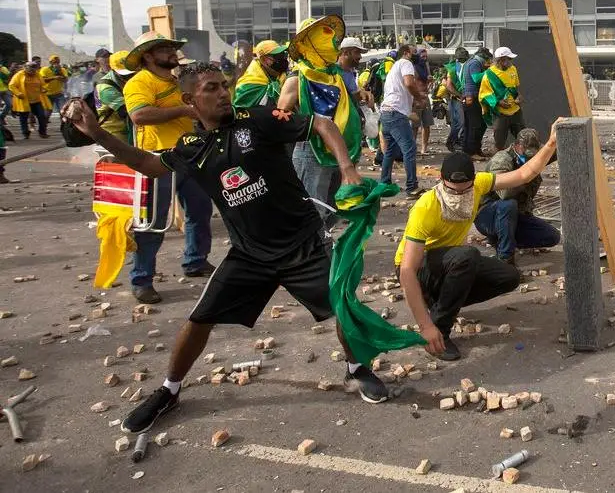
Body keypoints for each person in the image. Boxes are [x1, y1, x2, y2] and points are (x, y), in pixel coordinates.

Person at [62, 63, 394, 434]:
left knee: (343, 308)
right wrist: (94, 132)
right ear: (190, 100)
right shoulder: (191, 146)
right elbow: (146, 164)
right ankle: (169, 390)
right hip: (250, 254)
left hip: (304, 244)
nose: (223, 93)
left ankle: (356, 370)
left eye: (224, 85)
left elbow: (321, 123)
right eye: (211, 88)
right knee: (199, 319)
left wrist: (347, 167)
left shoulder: (260, 118)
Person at [396, 134, 561, 361]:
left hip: (449, 262)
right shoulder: (425, 207)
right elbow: (406, 270)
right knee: (467, 256)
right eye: (453, 190)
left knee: (509, 276)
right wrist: (425, 326)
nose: (460, 196)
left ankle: (442, 303)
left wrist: (551, 143)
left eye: (465, 190)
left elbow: (524, 174)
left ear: (473, 182)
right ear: (442, 181)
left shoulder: (480, 184)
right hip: (419, 269)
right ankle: (440, 330)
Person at [123, 32, 215, 302]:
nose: (172, 53)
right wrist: (184, 112)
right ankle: (142, 278)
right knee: (153, 221)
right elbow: (139, 115)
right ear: (148, 56)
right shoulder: (140, 82)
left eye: (172, 48)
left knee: (199, 209)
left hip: (187, 153)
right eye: (164, 49)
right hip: (156, 158)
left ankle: (195, 260)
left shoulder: (175, 81)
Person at [279, 16, 364, 230]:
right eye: (324, 38)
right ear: (309, 44)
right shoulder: (297, 78)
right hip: (311, 149)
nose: (332, 43)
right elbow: (280, 117)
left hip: (337, 149)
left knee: (334, 206)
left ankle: (321, 241)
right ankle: (311, 251)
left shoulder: (333, 75)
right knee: (311, 207)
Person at [474, 128, 560, 266]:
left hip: (515, 215)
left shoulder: (531, 156)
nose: (531, 158)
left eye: (534, 155)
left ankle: (505, 240)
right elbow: (505, 193)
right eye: (527, 154)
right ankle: (505, 259)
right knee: (509, 204)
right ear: (517, 146)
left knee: (552, 236)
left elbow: (552, 152)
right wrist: (527, 174)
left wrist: (557, 138)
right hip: (489, 214)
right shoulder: (502, 160)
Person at [378, 44, 427, 195]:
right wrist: (419, 97)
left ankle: (384, 183)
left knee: (390, 151)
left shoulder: (394, 67)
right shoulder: (406, 63)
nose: (417, 54)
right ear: (406, 53)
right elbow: (409, 83)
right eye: (414, 52)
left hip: (386, 112)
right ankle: (412, 187)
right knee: (409, 149)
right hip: (395, 113)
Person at [478, 46, 525, 152]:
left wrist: (518, 96)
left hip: (516, 111)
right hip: (501, 114)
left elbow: (515, 87)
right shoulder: (489, 74)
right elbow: (484, 95)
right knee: (499, 142)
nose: (511, 61)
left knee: (523, 138)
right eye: (509, 59)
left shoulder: (513, 69)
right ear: (501, 60)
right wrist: (499, 102)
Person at [232, 40, 291, 110]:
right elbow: (266, 104)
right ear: (263, 60)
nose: (282, 59)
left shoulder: (277, 74)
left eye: (282, 55)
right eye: (277, 56)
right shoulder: (249, 81)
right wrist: (285, 83)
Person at [93, 50, 137, 143]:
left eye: (131, 73)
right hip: (114, 134)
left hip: (129, 129)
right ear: (112, 69)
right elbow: (128, 111)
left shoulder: (129, 80)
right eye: (125, 74)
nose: (129, 76)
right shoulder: (105, 87)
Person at [460, 47, 490, 158]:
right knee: (476, 125)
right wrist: (489, 71)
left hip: (470, 97)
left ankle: (472, 150)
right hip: (472, 97)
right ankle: (472, 151)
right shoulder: (475, 63)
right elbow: (476, 78)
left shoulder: (472, 62)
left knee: (473, 125)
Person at [9, 61, 50, 139]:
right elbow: (12, 86)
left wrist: (44, 89)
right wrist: (18, 93)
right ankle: (25, 133)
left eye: (34, 69)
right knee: (23, 118)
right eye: (31, 69)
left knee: (42, 116)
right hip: (24, 100)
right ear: (26, 68)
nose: (33, 71)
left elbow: (43, 84)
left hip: (36, 100)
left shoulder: (37, 74)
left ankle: (42, 132)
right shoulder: (19, 75)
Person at [443, 47, 469, 152]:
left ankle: (458, 142)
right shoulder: (453, 68)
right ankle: (451, 142)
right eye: (462, 58)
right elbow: (448, 85)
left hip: (461, 97)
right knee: (459, 123)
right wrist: (459, 95)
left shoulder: (464, 66)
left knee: (462, 122)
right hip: (456, 99)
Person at [412, 47, 434, 156]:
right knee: (415, 125)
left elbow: (429, 80)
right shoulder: (414, 67)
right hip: (417, 98)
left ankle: (424, 148)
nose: (425, 58)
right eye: (423, 56)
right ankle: (413, 147)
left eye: (426, 56)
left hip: (426, 96)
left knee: (427, 123)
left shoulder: (426, 66)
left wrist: (430, 79)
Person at [0, 60, 12, 128]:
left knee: (10, 105)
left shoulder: (3, 68)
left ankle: (1, 117)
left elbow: (8, 77)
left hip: (4, 89)